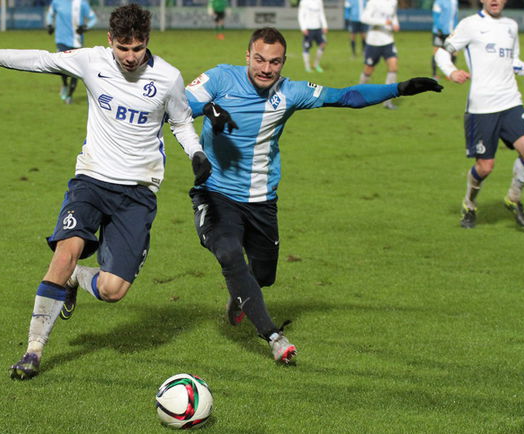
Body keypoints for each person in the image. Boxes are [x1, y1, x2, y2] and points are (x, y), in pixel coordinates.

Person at [0, 4, 212, 380]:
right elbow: (41, 60)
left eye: (137, 48)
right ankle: (33, 350)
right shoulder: (91, 61)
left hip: (138, 191)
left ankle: (77, 278)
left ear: (147, 42)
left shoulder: (168, 77)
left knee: (113, 290)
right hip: (91, 180)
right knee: (65, 252)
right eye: (122, 48)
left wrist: (196, 153)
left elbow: (181, 122)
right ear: (110, 40)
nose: (130, 57)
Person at [185, 27, 442, 364]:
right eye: (259, 59)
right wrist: (207, 108)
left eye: (274, 62)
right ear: (247, 55)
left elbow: (346, 96)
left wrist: (399, 88)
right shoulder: (220, 78)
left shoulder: (291, 92)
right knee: (229, 252)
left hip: (261, 199)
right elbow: (178, 104)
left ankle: (241, 296)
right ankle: (274, 337)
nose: (266, 68)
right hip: (215, 192)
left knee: (263, 277)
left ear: (283, 62)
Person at [434, 0, 524, 228]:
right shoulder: (470, 24)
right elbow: (442, 53)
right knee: (485, 167)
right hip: (482, 107)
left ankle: (513, 198)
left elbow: (511, 63)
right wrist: (451, 71)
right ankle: (469, 203)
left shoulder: (511, 25)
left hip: (510, 101)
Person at [45, 0, 97, 104]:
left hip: (76, 41)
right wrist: (50, 25)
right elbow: (50, 14)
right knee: (62, 67)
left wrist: (86, 27)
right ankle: (65, 84)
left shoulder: (82, 3)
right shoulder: (57, 2)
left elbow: (93, 18)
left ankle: (69, 95)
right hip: (61, 40)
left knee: (75, 69)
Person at [359, 0, 400, 109]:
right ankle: (358, 93)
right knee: (368, 70)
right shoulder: (373, 2)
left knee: (393, 67)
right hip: (374, 41)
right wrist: (383, 22)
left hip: (388, 40)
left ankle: (387, 101)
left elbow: (393, 15)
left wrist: (395, 23)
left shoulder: (393, 1)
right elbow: (364, 18)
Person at [298, 0, 328, 73]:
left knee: (323, 44)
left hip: (318, 28)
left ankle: (316, 64)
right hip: (308, 28)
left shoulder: (319, 1)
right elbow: (301, 15)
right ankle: (307, 67)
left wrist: (325, 25)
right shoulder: (304, 1)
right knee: (307, 47)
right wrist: (303, 28)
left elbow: (321, 13)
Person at [431, 0, 457, 80]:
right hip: (439, 32)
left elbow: (455, 16)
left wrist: (455, 28)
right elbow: (435, 16)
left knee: (454, 52)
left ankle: (450, 73)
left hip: (450, 32)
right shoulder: (439, 1)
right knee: (436, 52)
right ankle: (434, 74)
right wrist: (439, 29)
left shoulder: (454, 1)